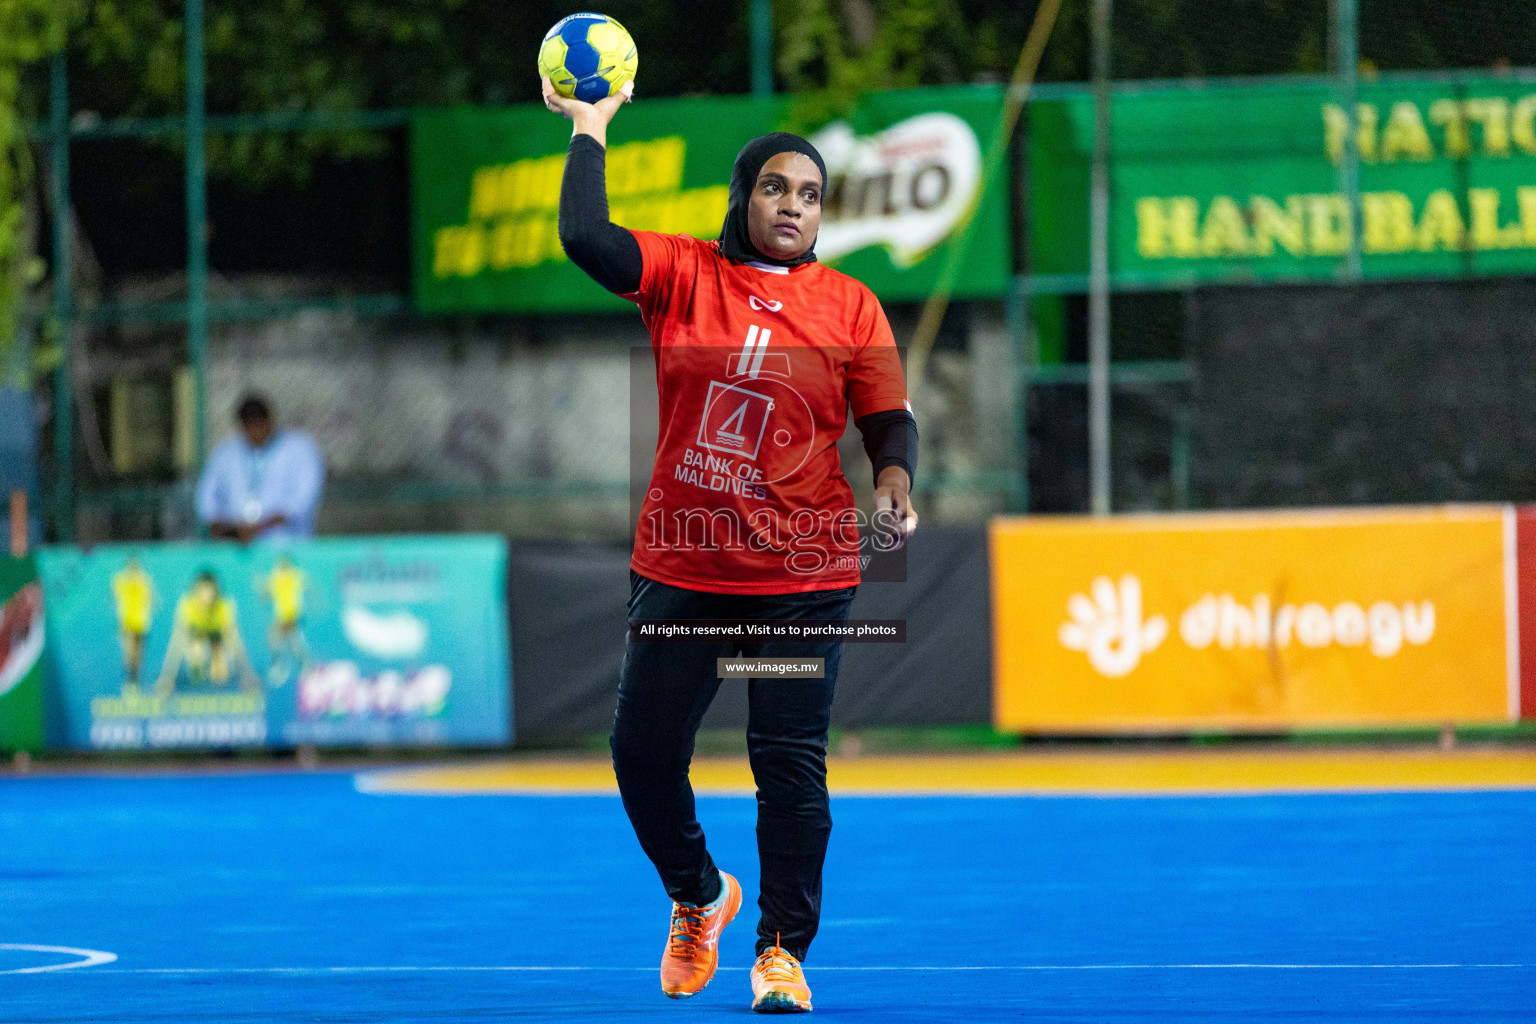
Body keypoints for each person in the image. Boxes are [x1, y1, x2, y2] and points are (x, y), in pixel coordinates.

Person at [546, 77, 919, 1014]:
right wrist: (591, 126)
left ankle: (782, 954)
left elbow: (887, 419)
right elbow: (586, 239)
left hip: (804, 577)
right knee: (641, 754)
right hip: (686, 568)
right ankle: (700, 896)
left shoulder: (853, 306)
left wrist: (893, 487)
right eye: (775, 189)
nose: (792, 206)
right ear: (741, 197)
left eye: (809, 195)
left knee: (787, 764)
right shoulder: (683, 277)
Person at [196, 394, 324, 542]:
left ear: (270, 420)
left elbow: (301, 502)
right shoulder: (225, 453)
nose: (256, 432)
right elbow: (207, 499)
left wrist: (259, 527)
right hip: (237, 549)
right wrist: (228, 528)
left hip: (286, 547)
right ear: (241, 426)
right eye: (249, 426)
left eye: (260, 425)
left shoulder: (300, 448)